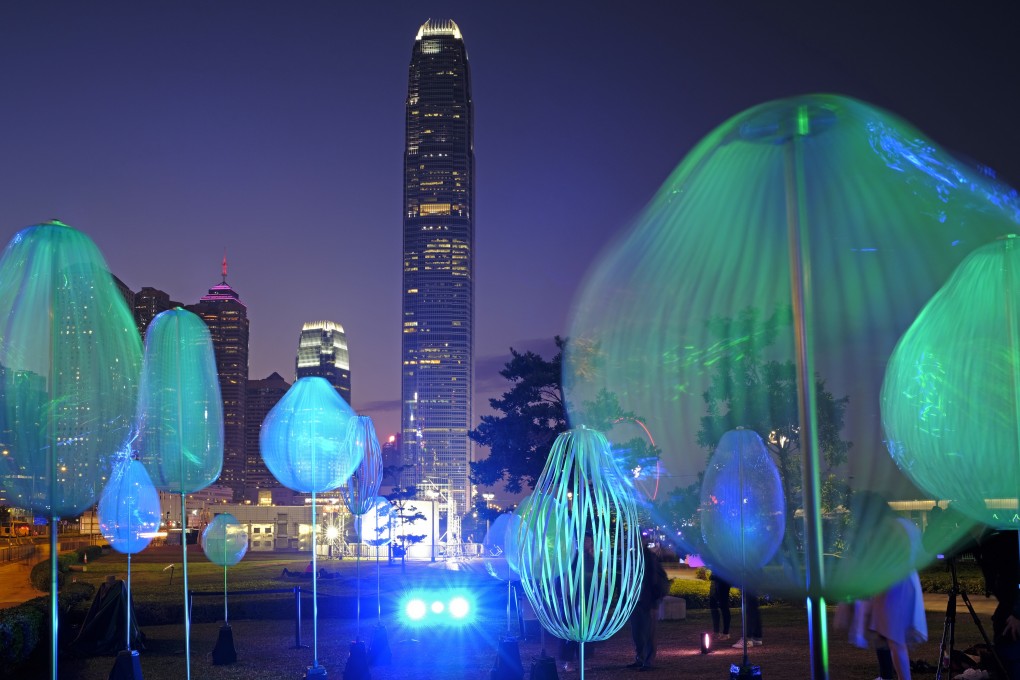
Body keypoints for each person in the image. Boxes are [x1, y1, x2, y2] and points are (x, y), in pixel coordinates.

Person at [628, 545, 669, 671]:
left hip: (647, 602)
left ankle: (648, 661)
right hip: (635, 601)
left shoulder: (650, 558)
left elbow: (656, 580)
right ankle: (640, 658)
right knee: (637, 633)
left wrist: (654, 600)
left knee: (649, 633)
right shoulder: (631, 557)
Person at [709, 571, 732, 641]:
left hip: (724, 580)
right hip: (715, 579)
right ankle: (716, 631)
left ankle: (726, 633)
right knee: (713, 605)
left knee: (724, 606)